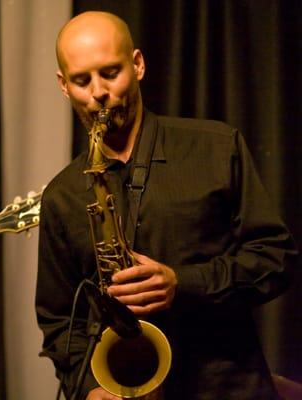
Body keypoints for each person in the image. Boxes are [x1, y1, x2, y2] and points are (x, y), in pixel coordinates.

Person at [36, 11, 298, 400]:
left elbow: (276, 258)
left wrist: (182, 283)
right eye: (81, 80)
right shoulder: (63, 195)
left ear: (138, 65)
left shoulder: (215, 147)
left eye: (110, 73)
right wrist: (91, 388)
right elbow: (59, 321)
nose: (98, 92)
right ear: (63, 85)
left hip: (226, 386)